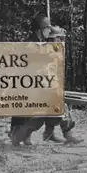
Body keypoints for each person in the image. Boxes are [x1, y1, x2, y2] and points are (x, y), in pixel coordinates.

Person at [9, 17, 80, 146]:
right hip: (28, 89)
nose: (49, 31)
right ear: (39, 30)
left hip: (39, 87)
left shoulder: (41, 42)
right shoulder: (30, 44)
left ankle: (57, 133)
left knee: (57, 102)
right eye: (47, 28)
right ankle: (22, 135)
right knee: (39, 114)